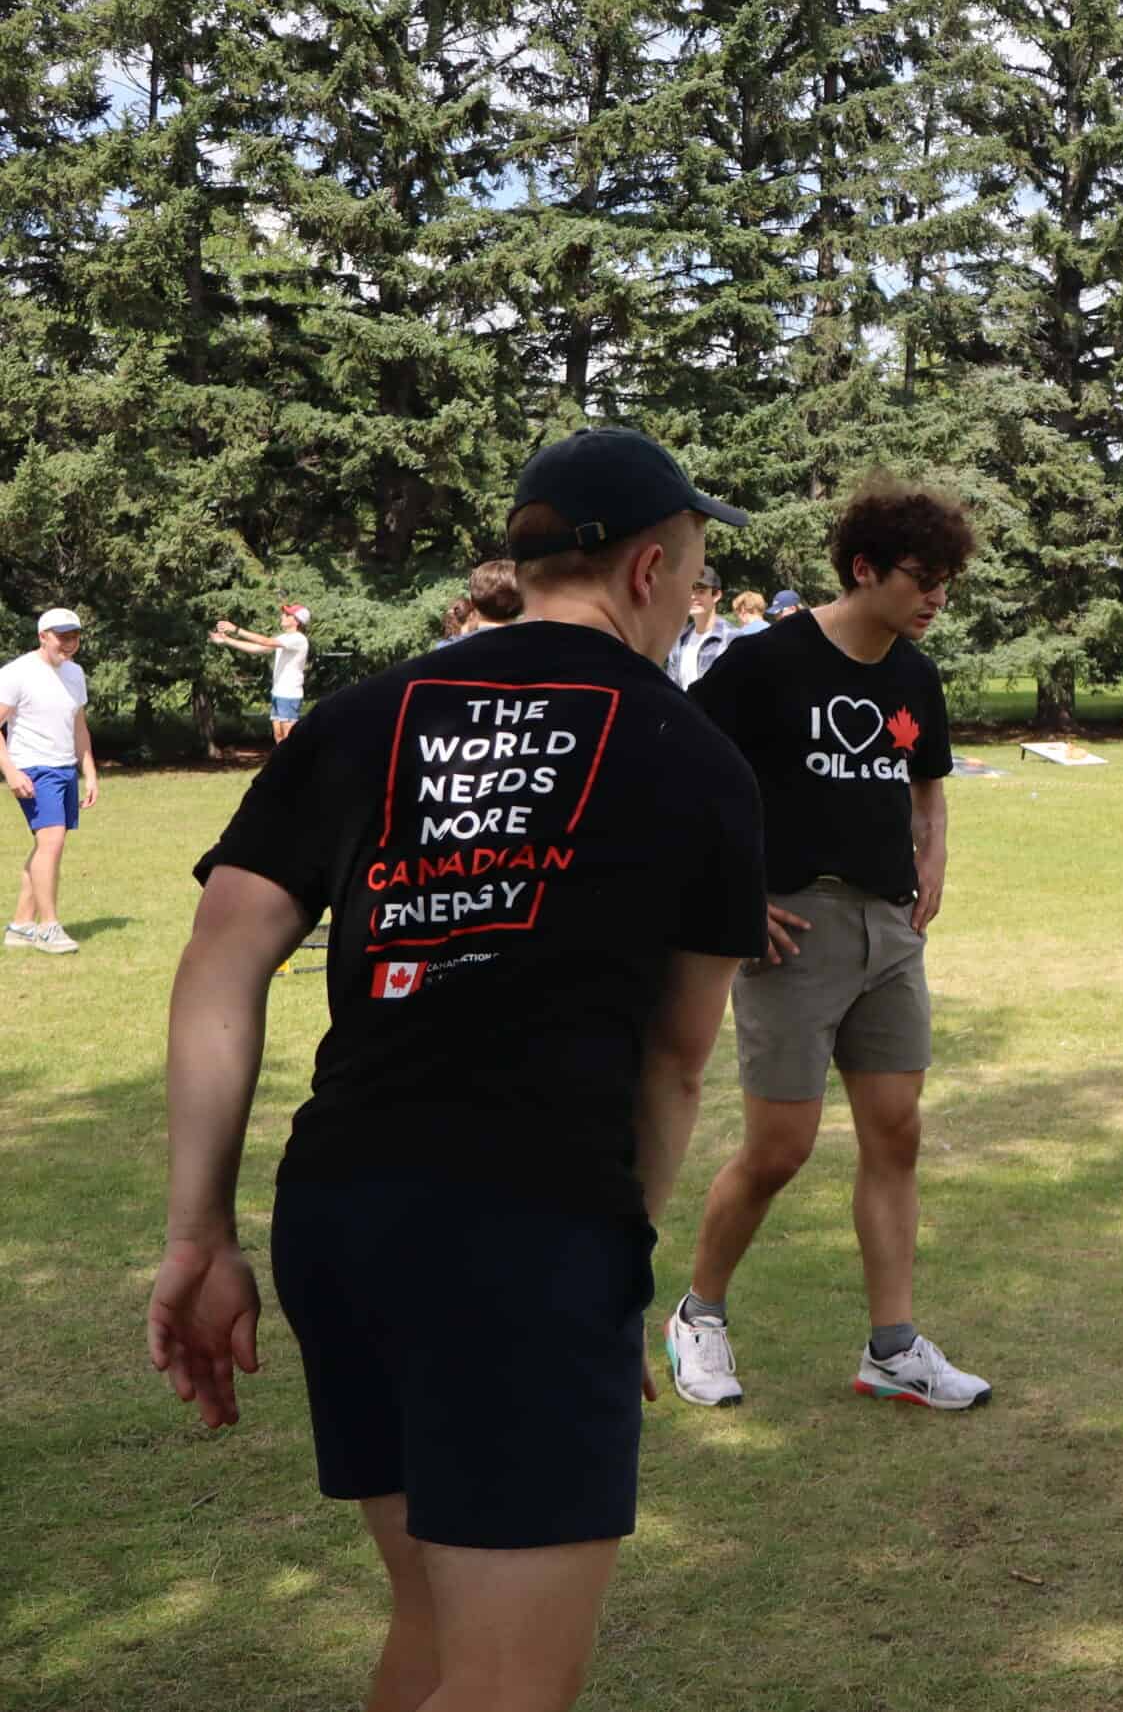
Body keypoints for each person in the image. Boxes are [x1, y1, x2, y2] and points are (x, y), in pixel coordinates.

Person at [148, 429, 768, 1712]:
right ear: (650, 567)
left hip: (347, 1212)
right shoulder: (694, 753)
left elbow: (222, 956)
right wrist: (613, 1262)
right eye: (697, 566)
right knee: (510, 1683)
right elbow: (676, 1055)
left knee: (436, 1631)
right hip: (528, 1227)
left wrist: (197, 1227)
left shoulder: (361, 717)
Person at [664, 480, 987, 1412]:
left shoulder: (913, 671)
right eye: (921, 580)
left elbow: (928, 784)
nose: (935, 600)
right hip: (791, 932)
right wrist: (736, 898)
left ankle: (893, 1348)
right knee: (780, 1149)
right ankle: (699, 1316)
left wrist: (932, 859)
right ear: (863, 569)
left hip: (890, 931)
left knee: (896, 1134)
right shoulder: (767, 664)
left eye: (945, 584)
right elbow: (686, 777)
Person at [0, 608, 98, 956]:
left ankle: (21, 925)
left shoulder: (75, 674)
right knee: (51, 843)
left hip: (64, 768)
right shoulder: (16, 673)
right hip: (33, 768)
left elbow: (79, 726)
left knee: (47, 845)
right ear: (43, 636)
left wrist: (89, 772)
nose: (70, 644)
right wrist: (11, 771)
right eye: (62, 637)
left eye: (75, 637)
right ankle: (48, 927)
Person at [211, 603, 315, 741]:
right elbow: (257, 648)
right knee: (278, 737)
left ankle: (298, 763)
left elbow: (265, 641)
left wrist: (236, 629)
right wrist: (226, 640)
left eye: (287, 614)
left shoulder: (298, 639)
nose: (282, 616)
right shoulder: (285, 638)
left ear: (296, 621)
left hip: (289, 696)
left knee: (290, 740)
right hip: (278, 693)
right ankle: (282, 763)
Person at [664, 562, 734, 690]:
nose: (692, 596)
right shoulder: (679, 640)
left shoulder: (732, 639)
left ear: (716, 595)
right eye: (689, 590)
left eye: (701, 591)